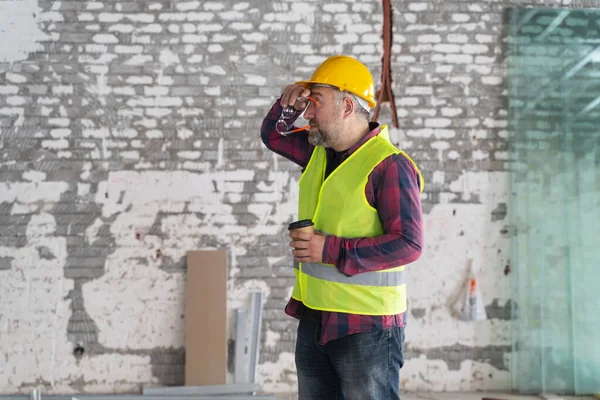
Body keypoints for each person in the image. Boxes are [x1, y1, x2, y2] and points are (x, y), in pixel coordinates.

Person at [260, 54, 424, 400]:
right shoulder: (318, 152)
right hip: (316, 318)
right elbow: (273, 136)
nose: (307, 113)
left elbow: (409, 243)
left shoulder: (389, 166)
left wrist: (328, 249)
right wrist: (286, 104)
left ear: (347, 106)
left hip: (367, 328)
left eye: (315, 103)